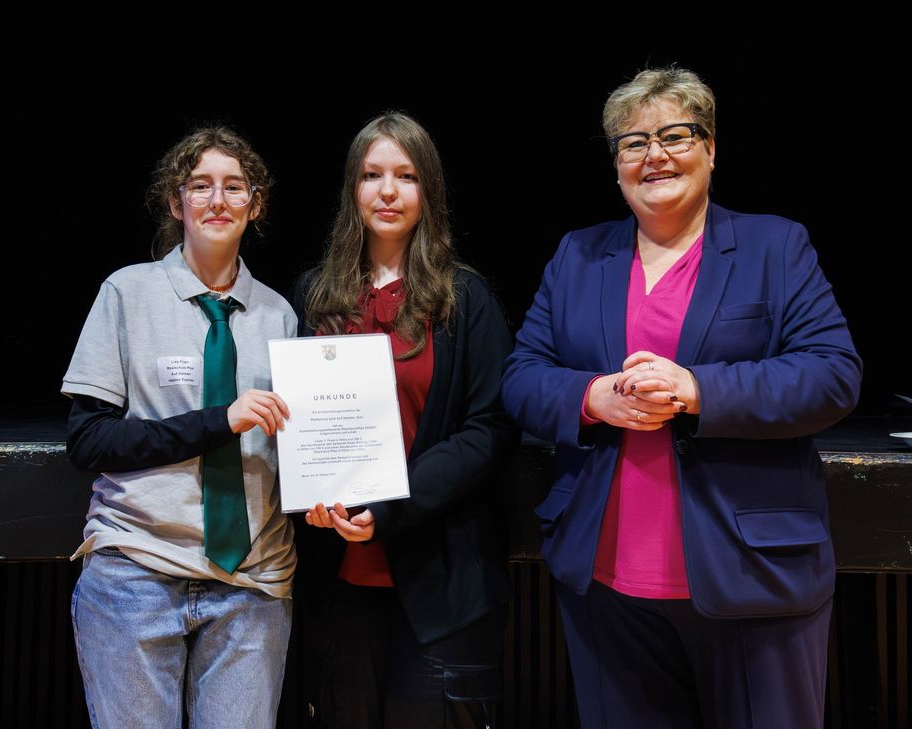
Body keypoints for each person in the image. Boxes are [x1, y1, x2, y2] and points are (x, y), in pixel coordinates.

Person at [500, 67, 862, 729]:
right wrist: (591, 395)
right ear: (615, 164)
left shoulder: (775, 246)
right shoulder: (576, 255)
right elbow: (521, 375)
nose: (654, 155)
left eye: (674, 135)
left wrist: (699, 388)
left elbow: (833, 374)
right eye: (633, 143)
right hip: (606, 586)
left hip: (753, 581)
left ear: (712, 147)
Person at [62, 126, 296, 728]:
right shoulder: (126, 292)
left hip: (252, 582)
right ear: (176, 202)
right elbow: (90, 441)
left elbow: (297, 452)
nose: (218, 201)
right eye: (200, 186)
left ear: (256, 204)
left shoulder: (280, 315)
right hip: (137, 572)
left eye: (234, 187)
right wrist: (219, 420)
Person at [293, 111, 518, 729]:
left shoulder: (465, 298)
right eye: (371, 175)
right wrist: (308, 493)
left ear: (430, 191)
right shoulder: (313, 296)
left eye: (406, 176)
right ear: (352, 189)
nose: (388, 191)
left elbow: (491, 428)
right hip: (337, 578)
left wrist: (390, 506)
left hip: (444, 584)